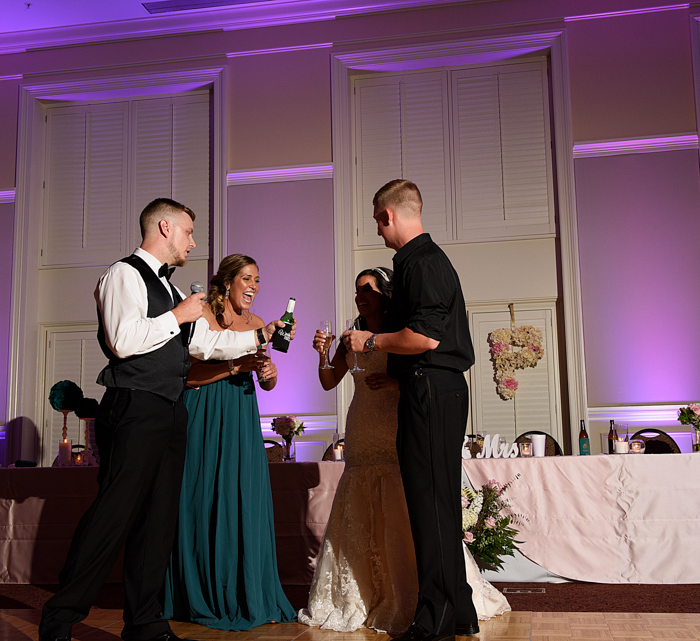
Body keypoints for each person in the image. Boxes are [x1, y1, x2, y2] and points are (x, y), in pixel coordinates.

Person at [39, 199, 288, 641]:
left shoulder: (174, 292)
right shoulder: (124, 275)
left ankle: (145, 623)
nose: (192, 242)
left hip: (172, 411)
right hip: (134, 406)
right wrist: (177, 316)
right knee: (115, 514)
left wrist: (259, 336)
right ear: (165, 226)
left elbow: (205, 346)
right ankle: (60, 618)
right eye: (188, 233)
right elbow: (122, 340)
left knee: (158, 521)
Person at [302, 268, 508, 635]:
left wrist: (395, 380)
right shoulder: (350, 336)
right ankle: (364, 593)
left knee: (405, 502)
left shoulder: (399, 333)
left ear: (386, 293)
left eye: (367, 289)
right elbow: (329, 380)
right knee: (360, 499)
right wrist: (321, 354)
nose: (360, 296)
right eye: (356, 291)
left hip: (397, 421)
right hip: (363, 426)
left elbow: (423, 371)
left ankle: (423, 592)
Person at [344, 180, 478, 641]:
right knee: (436, 503)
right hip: (428, 388)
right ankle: (458, 611)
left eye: (377, 221)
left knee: (431, 505)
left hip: (432, 391)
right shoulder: (417, 263)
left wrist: (372, 340)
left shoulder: (423, 263)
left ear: (387, 215)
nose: (378, 232)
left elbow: (425, 339)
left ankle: (435, 617)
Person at [163, 254, 296, 630]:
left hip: (240, 414)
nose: (254, 286)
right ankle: (199, 591)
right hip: (203, 411)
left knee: (242, 498)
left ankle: (245, 591)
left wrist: (267, 373)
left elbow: (265, 381)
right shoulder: (203, 311)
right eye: (247, 278)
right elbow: (188, 374)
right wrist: (235, 366)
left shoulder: (256, 323)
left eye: (257, 280)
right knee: (201, 498)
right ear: (228, 281)